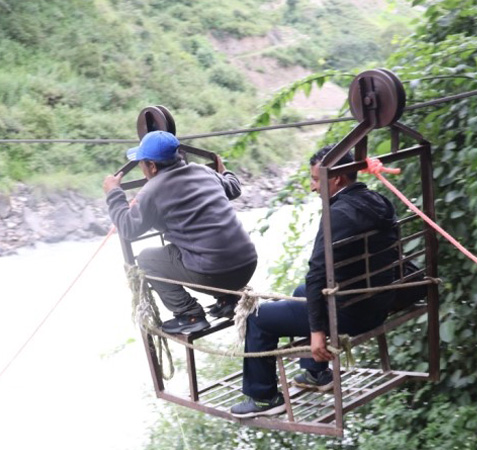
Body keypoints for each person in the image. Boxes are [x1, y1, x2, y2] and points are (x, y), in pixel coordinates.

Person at [230, 144, 398, 418]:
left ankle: (263, 398)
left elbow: (317, 271)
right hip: (375, 303)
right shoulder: (378, 201)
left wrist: (318, 333)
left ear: (336, 179)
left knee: (257, 318)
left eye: (315, 179)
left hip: (351, 314)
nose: (312, 187)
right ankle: (316, 373)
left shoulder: (337, 215)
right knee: (299, 291)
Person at [103, 131, 258, 334]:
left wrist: (114, 193)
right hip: (247, 265)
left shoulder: (152, 190)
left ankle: (189, 314)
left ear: (151, 165)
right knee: (198, 244)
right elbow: (234, 189)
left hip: (217, 276)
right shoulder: (204, 171)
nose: (142, 169)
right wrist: (224, 171)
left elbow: (128, 229)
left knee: (147, 259)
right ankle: (227, 300)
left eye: (142, 163)